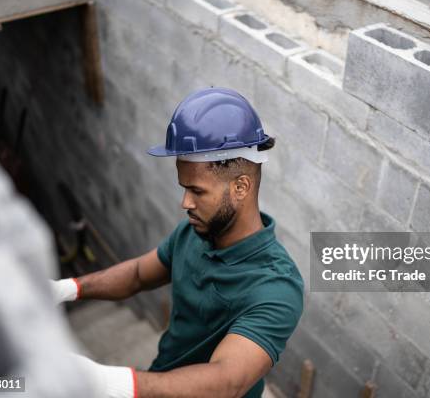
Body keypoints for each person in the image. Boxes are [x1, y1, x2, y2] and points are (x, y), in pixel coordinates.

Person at [51, 87, 304, 398]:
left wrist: (110, 383)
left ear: (241, 186)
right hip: (161, 382)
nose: (185, 203)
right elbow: (138, 275)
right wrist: (68, 288)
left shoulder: (276, 286)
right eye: (185, 188)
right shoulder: (195, 233)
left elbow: (227, 381)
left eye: (197, 191)